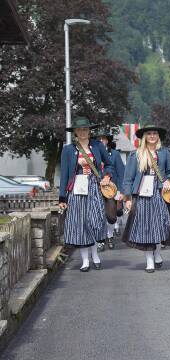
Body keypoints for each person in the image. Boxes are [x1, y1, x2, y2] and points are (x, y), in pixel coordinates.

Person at [59, 117, 114, 272]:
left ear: (89, 131)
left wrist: (107, 177)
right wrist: (62, 197)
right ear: (75, 132)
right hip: (76, 188)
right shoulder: (68, 149)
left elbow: (109, 164)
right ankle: (85, 260)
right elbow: (64, 175)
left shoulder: (97, 146)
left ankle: (95, 254)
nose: (83, 132)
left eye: (85, 129)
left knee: (96, 220)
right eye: (80, 129)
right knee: (80, 223)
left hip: (94, 186)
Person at [122, 125, 170, 273]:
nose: (152, 136)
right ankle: (149, 260)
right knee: (145, 227)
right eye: (149, 133)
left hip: (159, 193)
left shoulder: (165, 153)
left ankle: (157, 251)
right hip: (142, 195)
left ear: (158, 136)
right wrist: (128, 198)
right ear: (145, 136)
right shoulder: (136, 154)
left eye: (155, 133)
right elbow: (128, 178)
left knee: (159, 225)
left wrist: (168, 181)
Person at [94, 128, 125, 250]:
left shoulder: (115, 154)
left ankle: (110, 235)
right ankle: (100, 240)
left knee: (111, 216)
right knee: (98, 215)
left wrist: (121, 191)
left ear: (108, 140)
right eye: (99, 138)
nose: (102, 140)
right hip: (95, 188)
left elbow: (121, 173)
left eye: (104, 138)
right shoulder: (93, 153)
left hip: (111, 189)